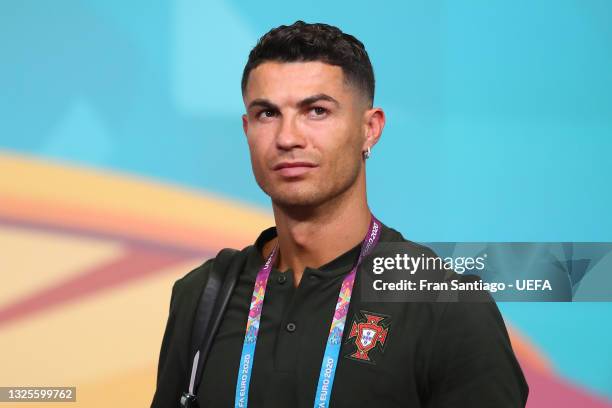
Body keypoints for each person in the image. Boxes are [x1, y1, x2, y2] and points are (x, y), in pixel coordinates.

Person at [151, 20, 528, 407]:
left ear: (370, 129)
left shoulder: (446, 306)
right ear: (247, 129)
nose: (287, 137)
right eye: (267, 114)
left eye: (316, 110)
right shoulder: (202, 296)